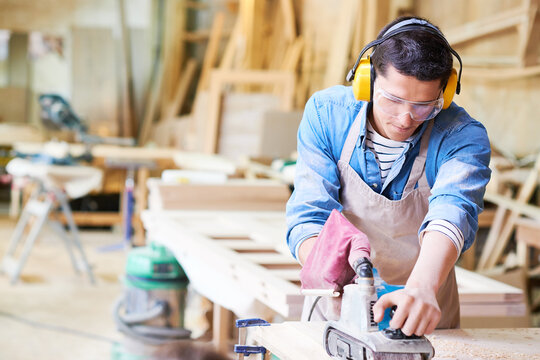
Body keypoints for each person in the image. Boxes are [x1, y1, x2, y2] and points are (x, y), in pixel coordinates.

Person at [286, 16, 491, 336]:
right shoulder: (328, 114)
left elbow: (454, 209)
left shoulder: (461, 135)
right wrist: (327, 270)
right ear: (366, 79)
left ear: (445, 94)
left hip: (422, 309)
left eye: (424, 106)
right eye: (393, 100)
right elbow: (309, 213)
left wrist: (423, 287)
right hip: (338, 305)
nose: (406, 118)